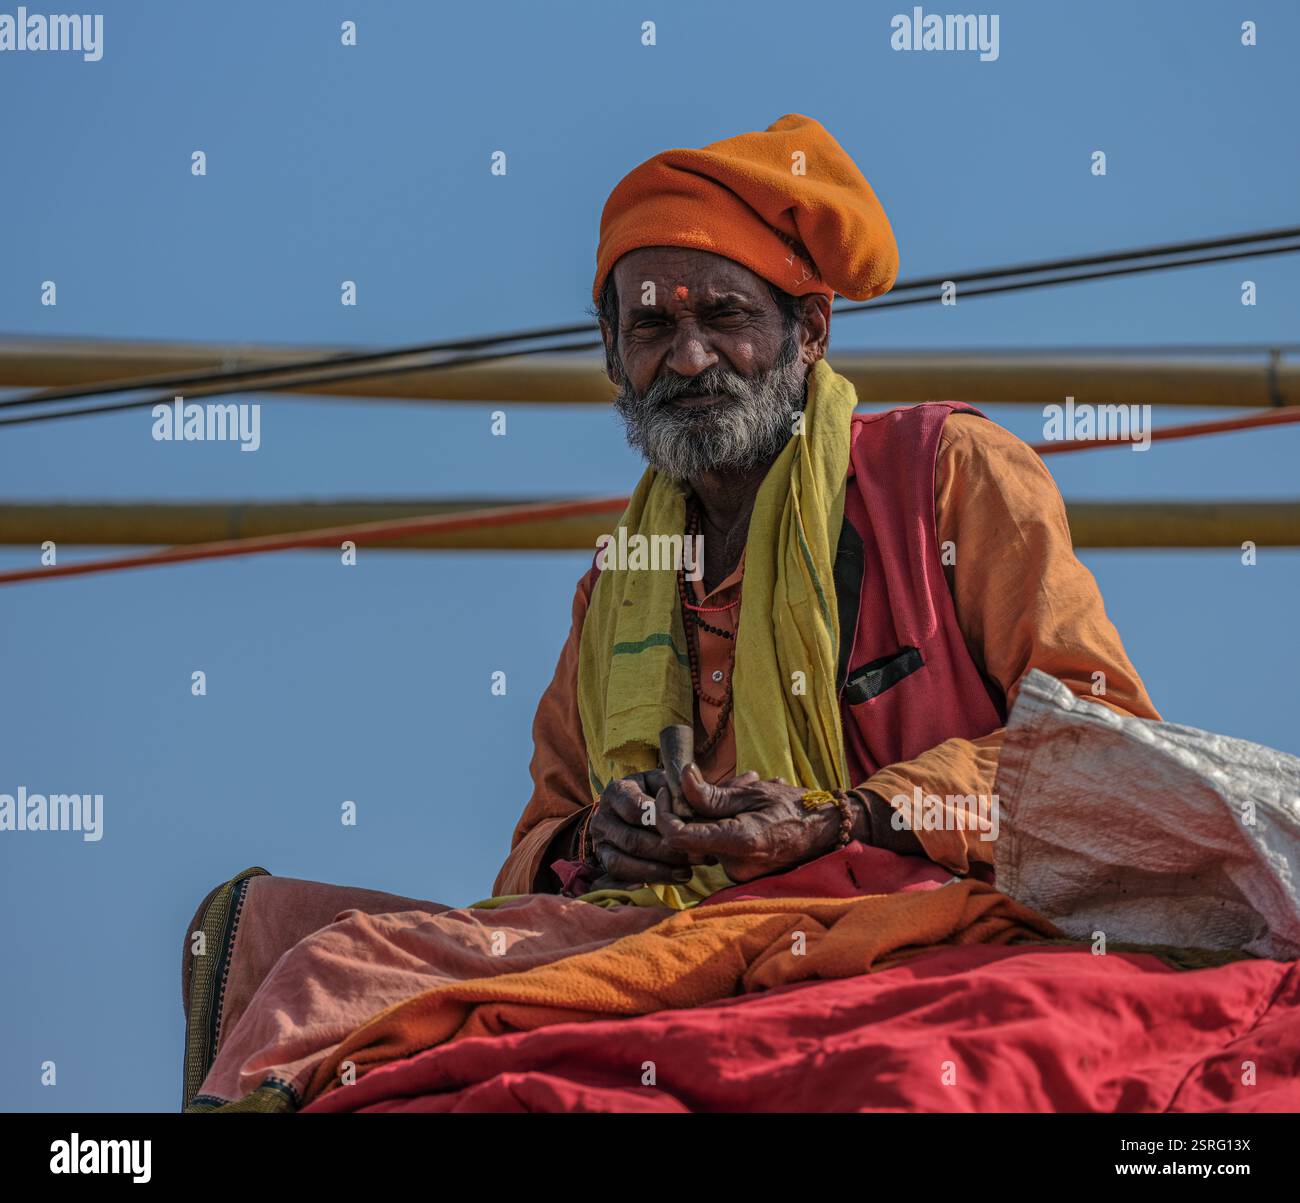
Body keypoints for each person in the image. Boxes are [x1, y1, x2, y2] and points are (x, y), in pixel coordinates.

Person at [494, 114, 1159, 906]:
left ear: (810, 330)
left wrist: (845, 821)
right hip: (672, 976)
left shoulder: (948, 475)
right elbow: (535, 843)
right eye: (651, 326)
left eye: (725, 316)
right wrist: (591, 841)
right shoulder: (616, 584)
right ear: (611, 353)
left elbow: (1110, 756)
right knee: (350, 961)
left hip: (926, 952)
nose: (690, 356)